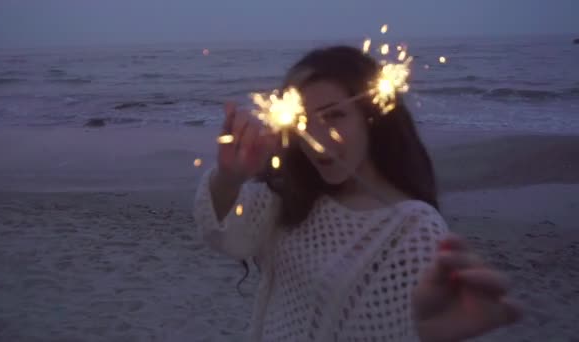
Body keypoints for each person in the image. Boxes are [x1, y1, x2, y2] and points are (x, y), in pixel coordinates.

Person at [193, 46, 521, 341]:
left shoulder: (414, 230)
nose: (316, 137)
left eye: (335, 115)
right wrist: (229, 177)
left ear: (372, 115)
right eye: (303, 120)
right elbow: (224, 233)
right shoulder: (289, 195)